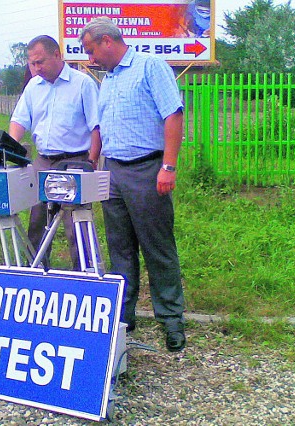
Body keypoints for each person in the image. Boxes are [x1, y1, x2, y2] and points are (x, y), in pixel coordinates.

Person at [79, 17, 186, 352]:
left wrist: (168, 166)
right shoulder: (107, 80)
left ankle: (171, 321)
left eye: (91, 50)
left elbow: (174, 115)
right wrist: (92, 161)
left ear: (107, 40)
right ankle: (123, 320)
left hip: (146, 169)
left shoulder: (149, 67)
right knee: (120, 249)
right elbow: (101, 126)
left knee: (157, 247)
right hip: (113, 173)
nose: (90, 58)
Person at [9, 35, 101, 269]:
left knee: (75, 223)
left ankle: (85, 274)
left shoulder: (82, 84)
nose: (36, 68)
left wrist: (91, 161)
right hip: (43, 161)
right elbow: (20, 121)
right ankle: (36, 271)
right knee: (37, 220)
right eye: (32, 63)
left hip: (75, 160)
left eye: (40, 62)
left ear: (57, 55)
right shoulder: (33, 86)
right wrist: (8, 147)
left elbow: (96, 126)